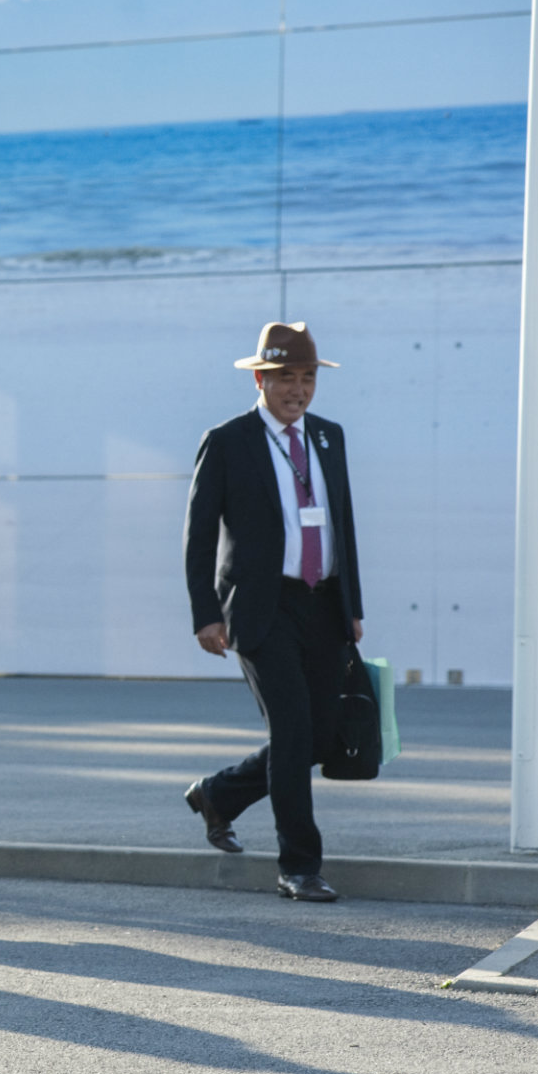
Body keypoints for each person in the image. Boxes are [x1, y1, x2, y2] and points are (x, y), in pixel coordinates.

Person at [183, 322, 363, 904]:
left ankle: (220, 793)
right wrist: (205, 614)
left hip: (324, 603)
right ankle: (300, 865)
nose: (299, 389)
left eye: (308, 377)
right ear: (261, 378)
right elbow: (198, 535)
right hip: (263, 608)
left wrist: (352, 606)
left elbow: (344, 526)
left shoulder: (330, 438)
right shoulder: (229, 440)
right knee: (291, 731)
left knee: (317, 738)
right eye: (287, 377)